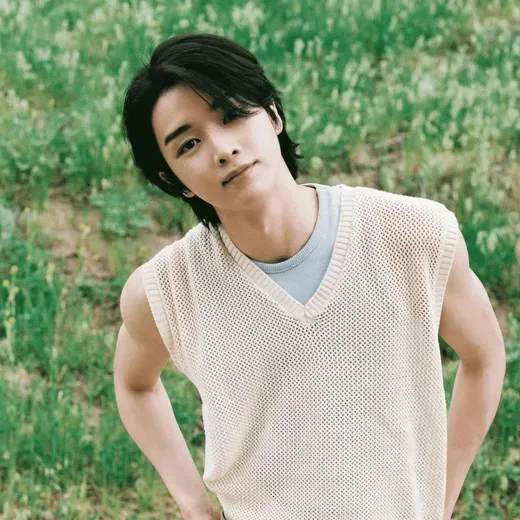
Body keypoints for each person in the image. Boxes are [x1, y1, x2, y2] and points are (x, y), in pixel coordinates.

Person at [114, 32, 500, 520]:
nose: (223, 149)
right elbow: (135, 386)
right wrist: (192, 502)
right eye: (189, 144)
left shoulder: (413, 234)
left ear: (273, 114)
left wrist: (441, 497)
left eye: (232, 115)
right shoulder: (167, 290)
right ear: (172, 179)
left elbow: (484, 357)